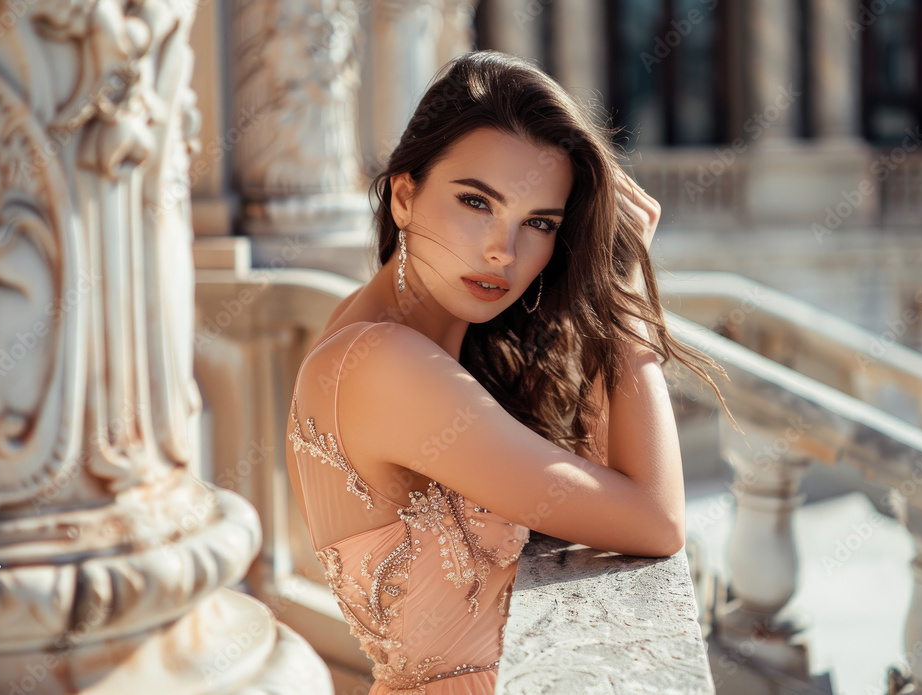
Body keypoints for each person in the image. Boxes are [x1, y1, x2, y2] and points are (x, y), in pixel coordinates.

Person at [284, 49, 736, 694]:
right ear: (406, 195)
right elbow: (656, 521)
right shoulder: (385, 363)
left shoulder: (410, 339)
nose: (503, 249)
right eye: (475, 202)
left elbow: (606, 478)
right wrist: (627, 297)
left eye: (539, 223)